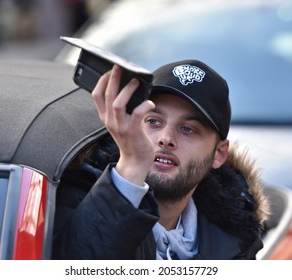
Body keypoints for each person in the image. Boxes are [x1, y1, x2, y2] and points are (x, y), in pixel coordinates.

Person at [52, 59, 270, 260]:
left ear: (219, 154)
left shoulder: (238, 237)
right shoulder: (73, 196)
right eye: (154, 122)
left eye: (188, 129)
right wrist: (131, 165)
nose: (166, 139)